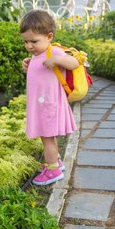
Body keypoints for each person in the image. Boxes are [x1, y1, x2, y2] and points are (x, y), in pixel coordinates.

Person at [20, 10, 79, 186]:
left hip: (49, 106)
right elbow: (39, 70)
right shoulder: (38, 54)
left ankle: (52, 170)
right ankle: (56, 163)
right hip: (42, 104)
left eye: (34, 41)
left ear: (49, 36)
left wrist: (57, 61)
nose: (29, 46)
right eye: (26, 42)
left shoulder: (54, 52)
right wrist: (29, 63)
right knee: (47, 138)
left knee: (47, 138)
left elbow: (75, 63)